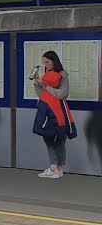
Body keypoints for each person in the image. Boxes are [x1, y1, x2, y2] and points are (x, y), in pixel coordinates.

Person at [31, 50, 73, 179]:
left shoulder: (62, 75)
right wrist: (37, 84)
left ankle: (57, 168)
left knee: (59, 140)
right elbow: (42, 95)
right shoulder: (47, 75)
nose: (46, 65)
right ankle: (55, 168)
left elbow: (62, 94)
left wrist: (46, 84)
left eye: (48, 62)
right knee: (49, 138)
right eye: (44, 62)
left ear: (54, 61)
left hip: (59, 111)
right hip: (47, 111)